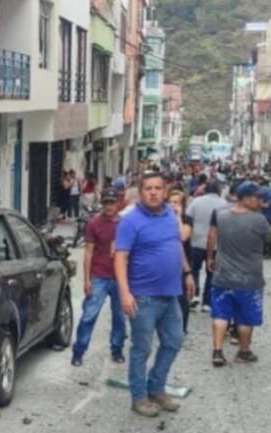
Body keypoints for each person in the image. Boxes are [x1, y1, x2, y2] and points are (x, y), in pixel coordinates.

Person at [114, 173, 196, 418]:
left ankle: (157, 387)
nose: (153, 192)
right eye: (148, 188)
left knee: (174, 341)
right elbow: (120, 258)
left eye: (158, 188)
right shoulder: (130, 222)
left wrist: (188, 272)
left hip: (170, 294)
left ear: (164, 191)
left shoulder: (171, 216)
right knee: (141, 348)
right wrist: (125, 293)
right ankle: (139, 397)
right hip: (143, 297)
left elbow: (177, 244)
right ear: (141, 192)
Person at [205, 182, 271, 367]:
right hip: (249, 278)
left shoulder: (221, 216)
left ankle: (217, 351)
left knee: (220, 314)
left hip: (223, 275)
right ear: (246, 198)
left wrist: (210, 257)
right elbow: (269, 238)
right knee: (245, 317)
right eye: (257, 198)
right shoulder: (259, 220)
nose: (260, 201)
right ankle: (244, 351)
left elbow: (211, 237)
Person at [71, 189, 127, 366]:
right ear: (102, 204)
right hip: (99, 276)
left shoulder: (126, 225)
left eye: (112, 203)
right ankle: (79, 351)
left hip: (119, 277)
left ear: (118, 204)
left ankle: (116, 349)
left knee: (119, 317)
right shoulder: (94, 224)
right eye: (106, 203)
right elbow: (88, 253)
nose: (109, 206)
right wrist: (87, 279)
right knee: (89, 315)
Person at [186, 181, 227, 310]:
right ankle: (207, 302)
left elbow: (188, 219)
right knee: (211, 273)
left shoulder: (196, 202)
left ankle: (194, 295)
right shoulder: (223, 204)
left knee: (194, 270)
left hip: (196, 241)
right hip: (215, 244)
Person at [169, 188, 194, 333]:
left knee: (182, 297)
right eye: (170, 202)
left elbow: (182, 237)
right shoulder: (162, 218)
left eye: (176, 202)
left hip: (184, 262)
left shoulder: (187, 219)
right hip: (168, 262)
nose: (173, 205)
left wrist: (177, 217)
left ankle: (181, 328)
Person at [257, 185, 271, 259]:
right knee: (262, 235)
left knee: (267, 235)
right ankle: (263, 252)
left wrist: (259, 203)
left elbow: (267, 205)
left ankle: (268, 253)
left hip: (269, 217)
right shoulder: (266, 193)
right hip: (265, 216)